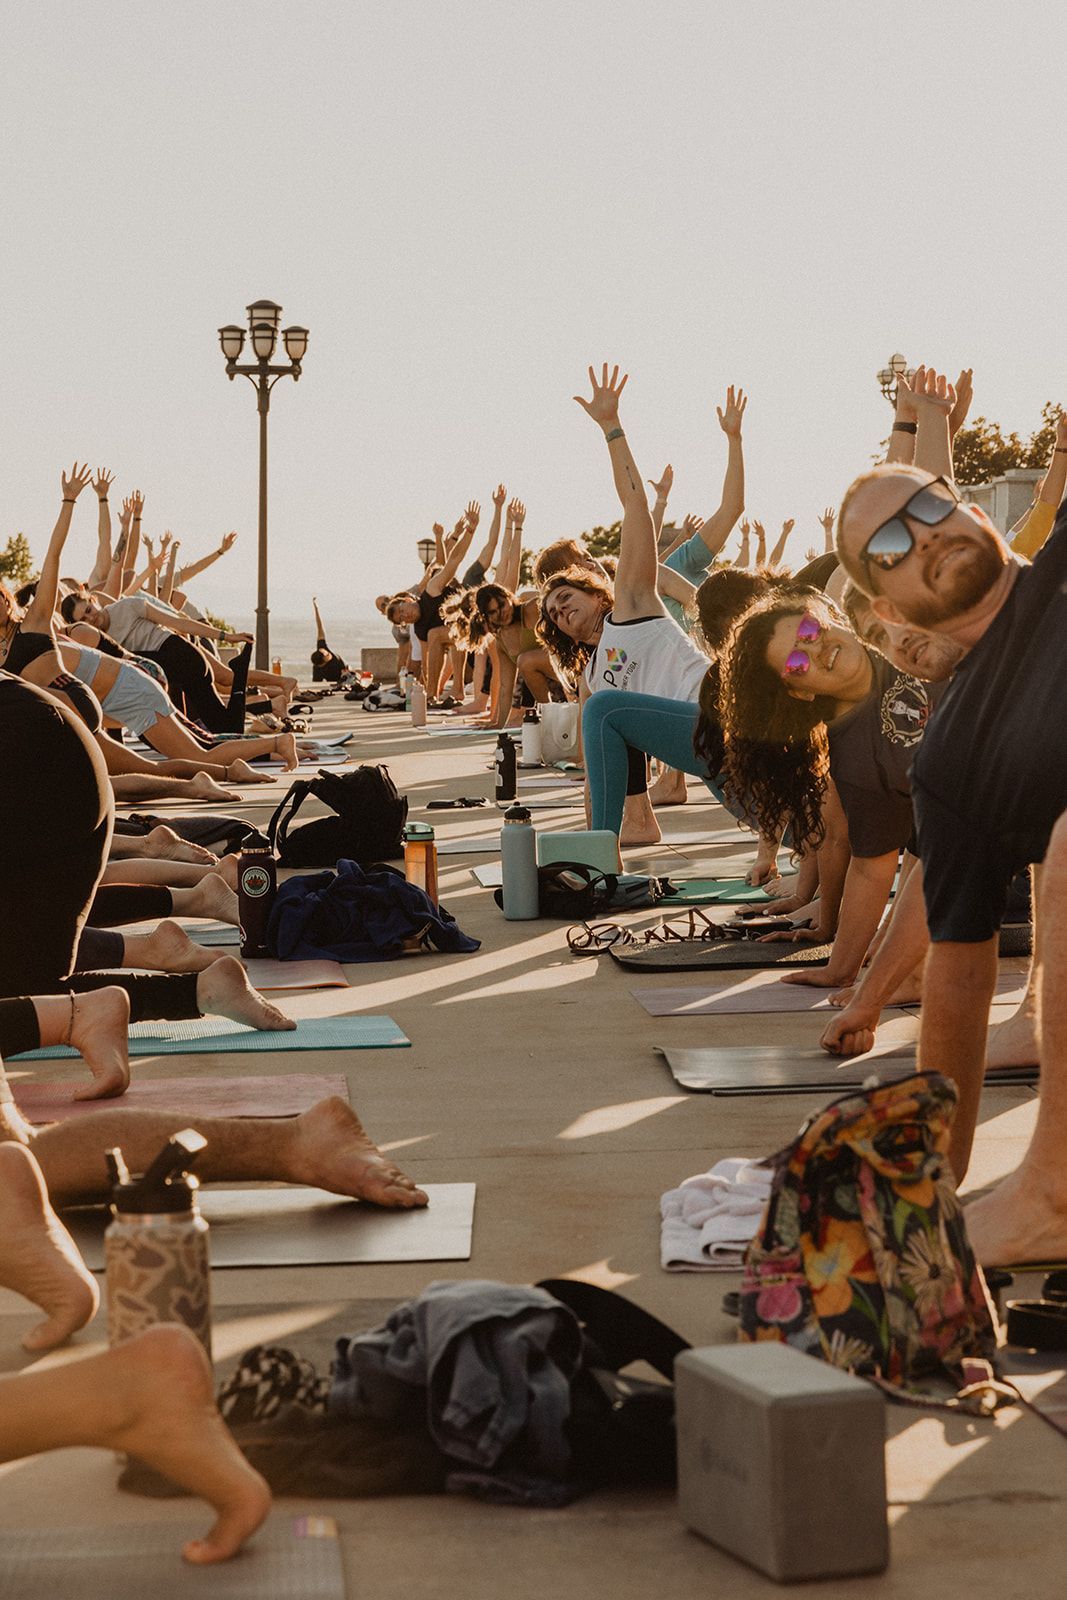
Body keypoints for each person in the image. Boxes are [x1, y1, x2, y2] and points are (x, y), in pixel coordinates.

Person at [832, 453, 1067, 1266]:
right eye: (888, 548)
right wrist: (937, 1177)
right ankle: (1053, 1193)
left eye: (926, 508)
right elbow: (958, 978)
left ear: (966, 506)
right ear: (883, 604)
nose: (921, 538)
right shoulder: (951, 762)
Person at [386, 505, 478, 703]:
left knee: (436, 633)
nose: (405, 616)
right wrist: (426, 691)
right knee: (433, 636)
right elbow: (429, 662)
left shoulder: (432, 589)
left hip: (475, 621)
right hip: (459, 638)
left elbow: (452, 561)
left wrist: (470, 531)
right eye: (401, 619)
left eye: (403, 610)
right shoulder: (420, 629)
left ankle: (458, 688)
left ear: (409, 600)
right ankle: (432, 695)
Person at [311, 595, 348, 681]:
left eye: (326, 652)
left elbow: (320, 628)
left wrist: (316, 609)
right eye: (327, 655)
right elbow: (317, 685)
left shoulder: (322, 648)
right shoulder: (320, 671)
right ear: (323, 663)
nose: (328, 653)